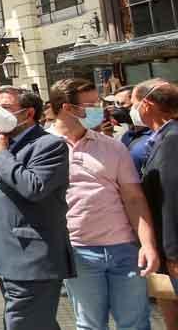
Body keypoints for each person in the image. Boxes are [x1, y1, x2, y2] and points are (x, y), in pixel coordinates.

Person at [50, 77, 157, 330]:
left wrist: (147, 245)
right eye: (91, 104)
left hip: (124, 249)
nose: (99, 108)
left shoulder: (113, 147)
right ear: (67, 108)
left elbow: (134, 198)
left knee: (136, 323)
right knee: (90, 325)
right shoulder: (44, 147)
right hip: (77, 250)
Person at [0, 86, 73, 330]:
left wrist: (1, 156)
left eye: (7, 107)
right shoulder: (0, 144)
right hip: (8, 258)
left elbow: (34, 188)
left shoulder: (49, 145)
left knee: (22, 323)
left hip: (33, 260)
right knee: (36, 323)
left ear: (28, 113)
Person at [132, 79, 178, 329]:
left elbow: (172, 199)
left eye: (135, 104)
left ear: (147, 104)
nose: (133, 110)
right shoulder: (164, 136)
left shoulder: (172, 139)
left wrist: (172, 254)